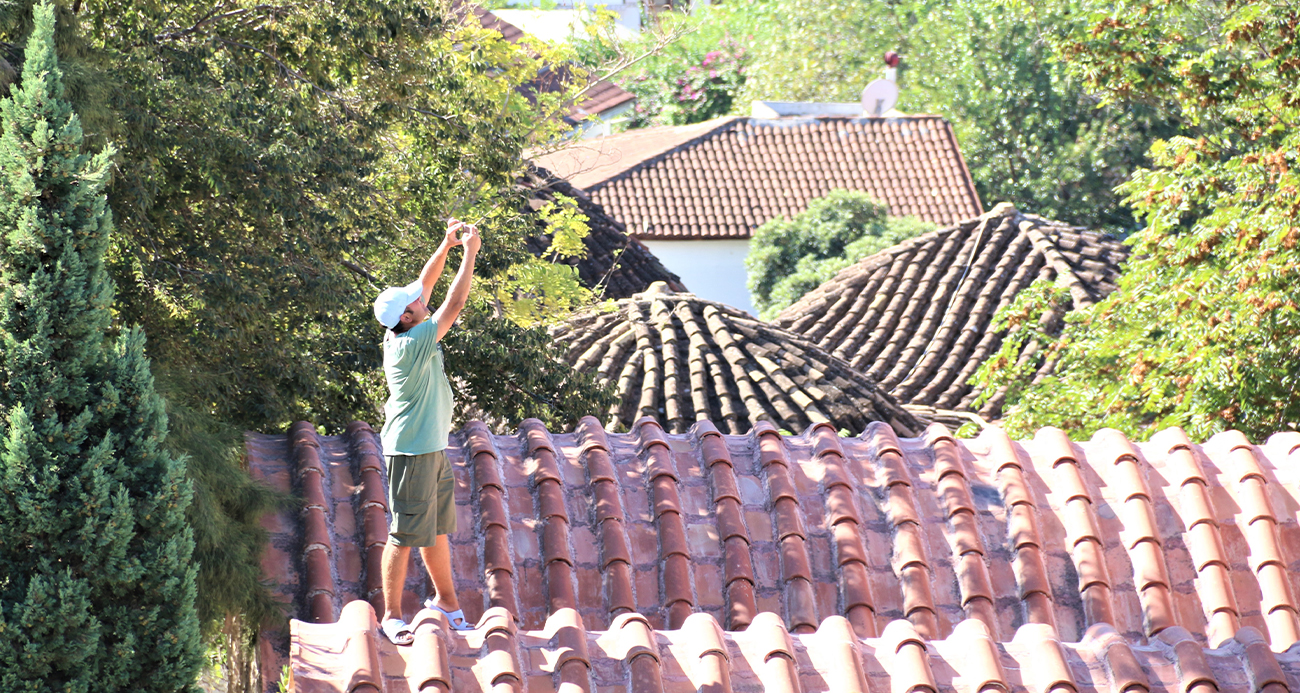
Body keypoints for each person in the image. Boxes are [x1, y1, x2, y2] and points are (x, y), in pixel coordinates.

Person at [370, 219, 481, 644]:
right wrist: (470, 253)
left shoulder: (403, 326)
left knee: (434, 529)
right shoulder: (413, 341)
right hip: (411, 451)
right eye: (415, 302)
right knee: (403, 533)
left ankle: (447, 603)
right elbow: (453, 305)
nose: (421, 299)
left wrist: (447, 244)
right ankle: (392, 617)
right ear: (407, 315)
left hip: (430, 447)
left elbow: (425, 283)